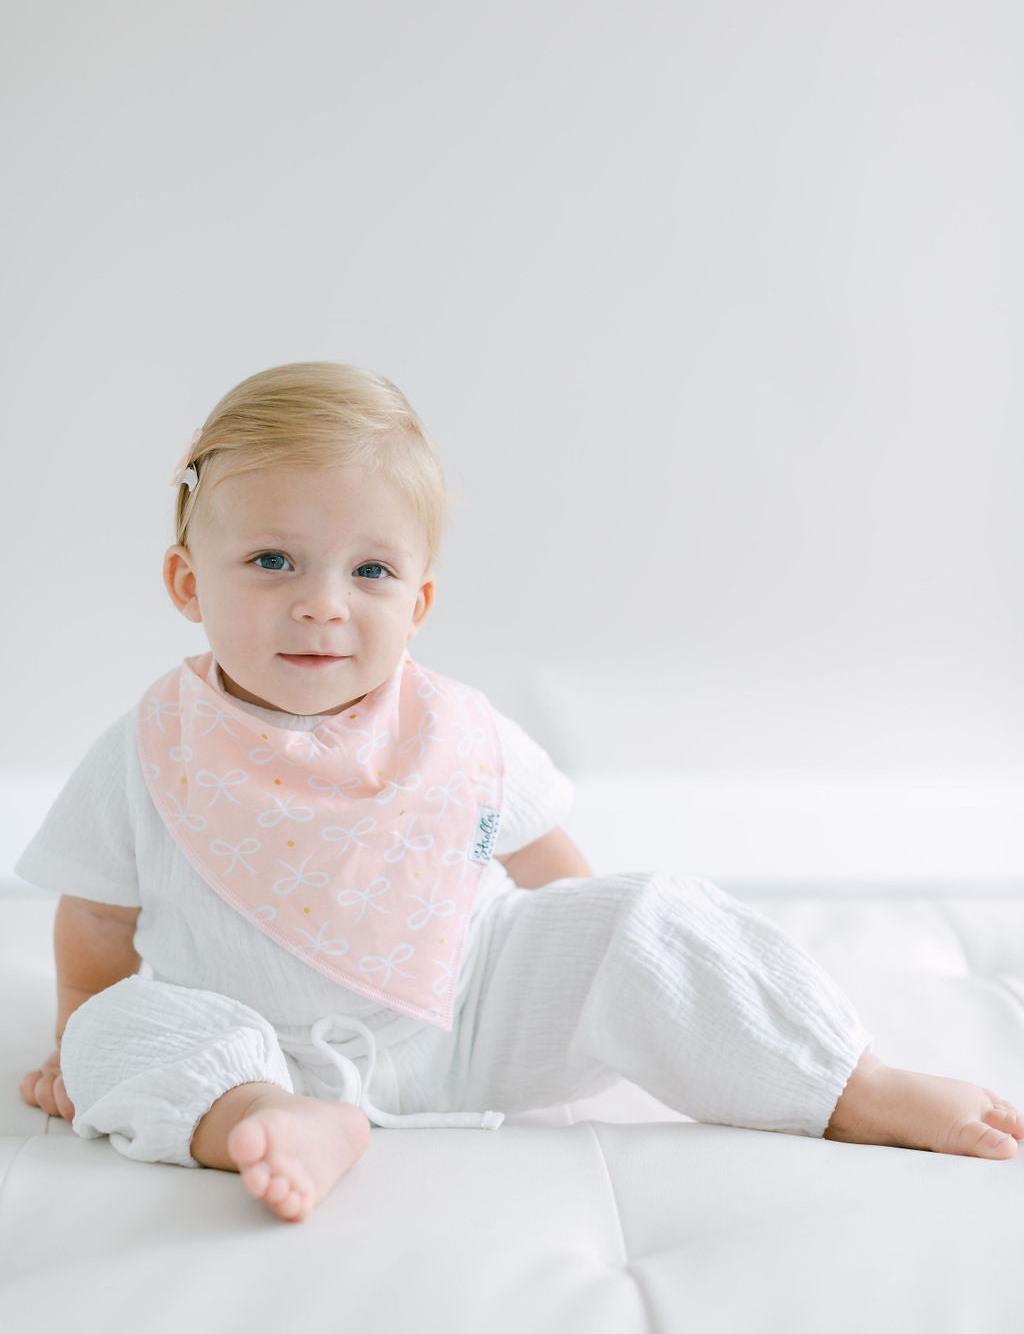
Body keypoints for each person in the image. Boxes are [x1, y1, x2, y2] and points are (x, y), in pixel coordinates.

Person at [17, 361, 1024, 1225]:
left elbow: (554, 878)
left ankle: (845, 1083)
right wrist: (78, 1035)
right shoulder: (153, 747)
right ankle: (267, 1123)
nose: (322, 602)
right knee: (116, 1031)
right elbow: (98, 924)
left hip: (470, 1013)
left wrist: (604, 966)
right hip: (254, 1046)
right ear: (187, 582)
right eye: (271, 561)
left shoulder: (457, 732)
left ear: (418, 601)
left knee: (641, 915)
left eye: (370, 570)